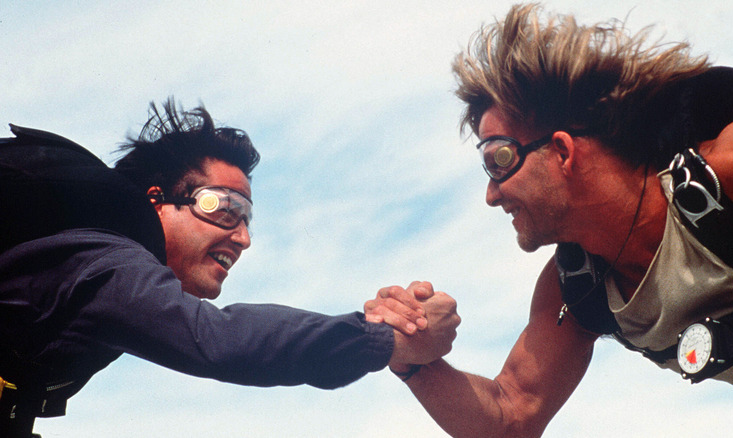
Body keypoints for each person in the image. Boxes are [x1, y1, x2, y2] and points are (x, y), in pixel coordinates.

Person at [365, 3, 733, 436]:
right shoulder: (577, 290)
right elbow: (511, 418)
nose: (491, 195)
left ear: (563, 151)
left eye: (498, 160)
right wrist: (411, 357)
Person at [0, 99, 459, 437]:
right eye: (223, 208)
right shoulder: (103, 263)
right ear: (155, 202)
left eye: (247, 218)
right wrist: (391, 339)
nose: (242, 237)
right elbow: (222, 341)